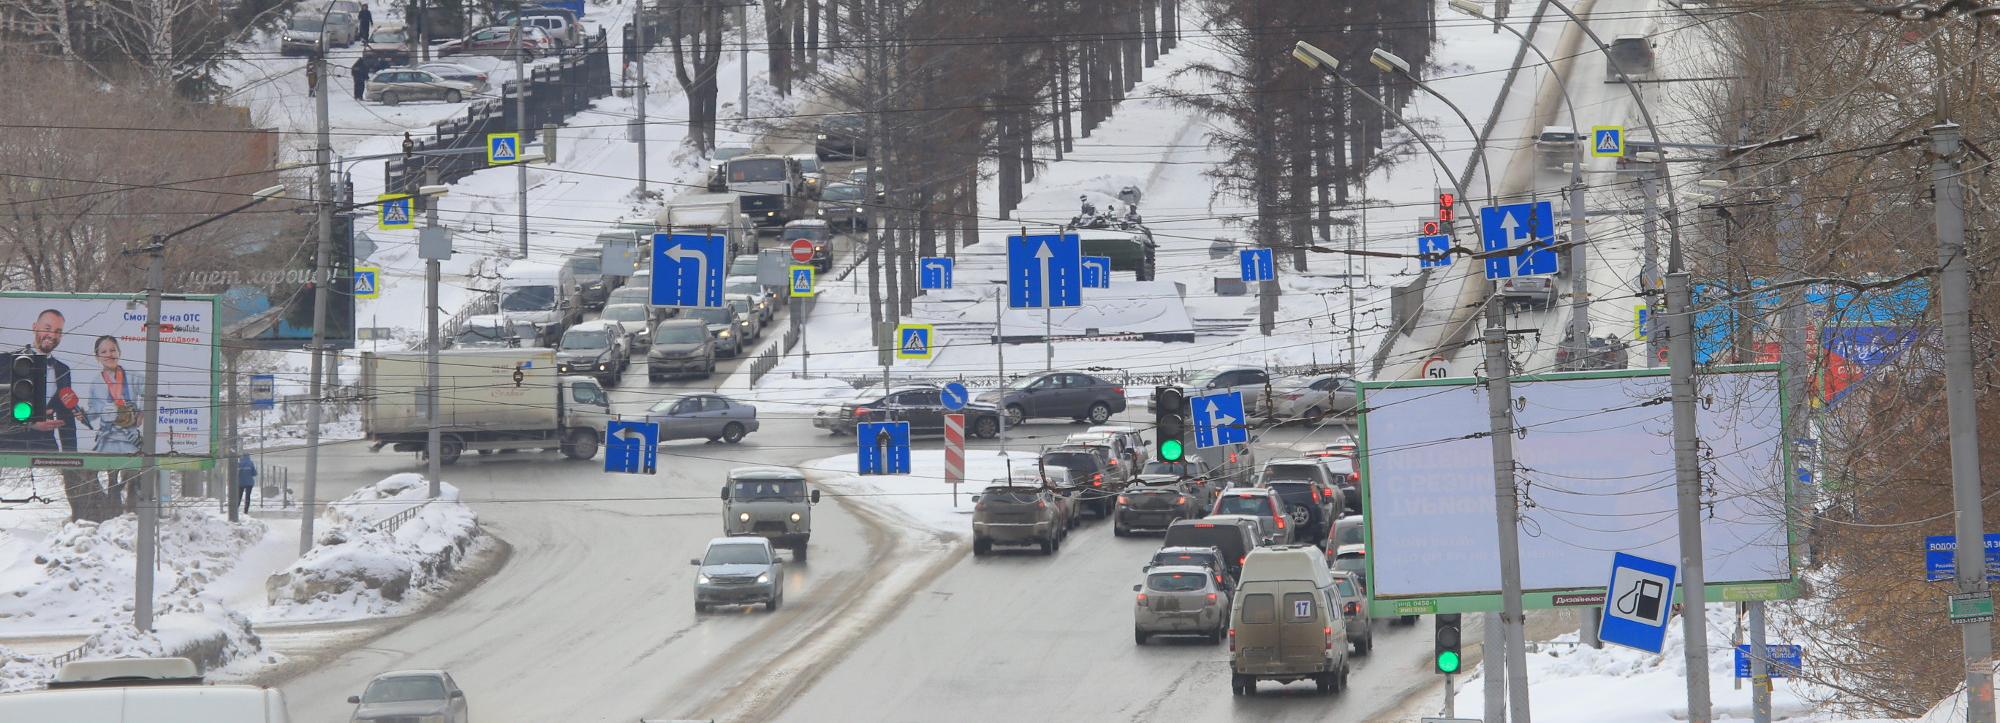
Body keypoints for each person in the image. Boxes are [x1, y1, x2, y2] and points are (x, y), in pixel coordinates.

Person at [4, 309, 78, 453]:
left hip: (47, 450)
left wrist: (72, 457)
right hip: (8, 449)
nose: (52, 335)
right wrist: (30, 424)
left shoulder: (63, 370)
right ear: (34, 327)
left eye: (58, 331)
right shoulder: (7, 361)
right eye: (47, 328)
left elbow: (66, 417)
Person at [83, 335, 141, 454]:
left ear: (119, 352)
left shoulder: (133, 376)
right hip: (107, 438)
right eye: (104, 352)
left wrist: (142, 414)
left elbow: (152, 395)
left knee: (132, 471)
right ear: (97, 357)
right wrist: (84, 416)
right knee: (106, 467)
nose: (109, 354)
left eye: (113, 350)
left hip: (130, 437)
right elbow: (94, 412)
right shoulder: (96, 383)